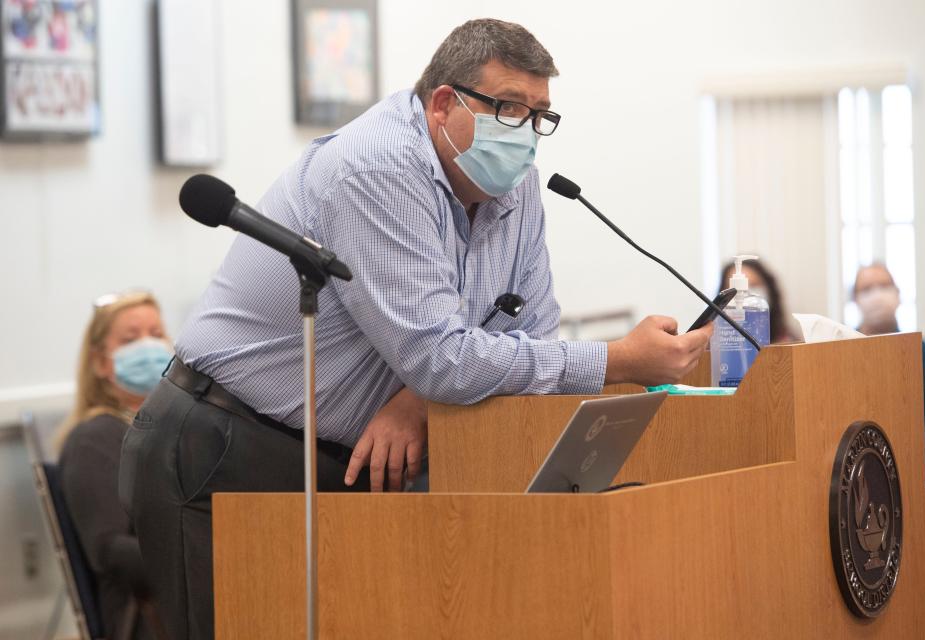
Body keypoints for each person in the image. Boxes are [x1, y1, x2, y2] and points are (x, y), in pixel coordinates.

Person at [119, 19, 712, 639]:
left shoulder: (517, 188)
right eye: (509, 108)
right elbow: (443, 358)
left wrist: (420, 398)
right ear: (442, 104)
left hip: (348, 466)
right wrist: (617, 361)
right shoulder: (378, 168)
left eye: (540, 114)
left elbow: (529, 331)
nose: (527, 135)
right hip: (225, 447)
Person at [58, 291, 172, 640]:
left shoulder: (166, 426)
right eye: (130, 338)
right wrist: (200, 558)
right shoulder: (95, 437)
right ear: (100, 362)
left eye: (156, 334)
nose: (148, 346)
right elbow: (108, 550)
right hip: (146, 615)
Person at [852, 263, 925, 481]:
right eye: (867, 288)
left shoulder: (920, 349)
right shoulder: (844, 349)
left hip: (916, 450)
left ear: (898, 293)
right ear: (856, 299)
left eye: (884, 285)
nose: (877, 294)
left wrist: (905, 440)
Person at [718, 257, 799, 344]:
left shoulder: (788, 341)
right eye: (733, 289)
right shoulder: (712, 344)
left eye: (754, 285)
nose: (745, 296)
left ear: (769, 290)